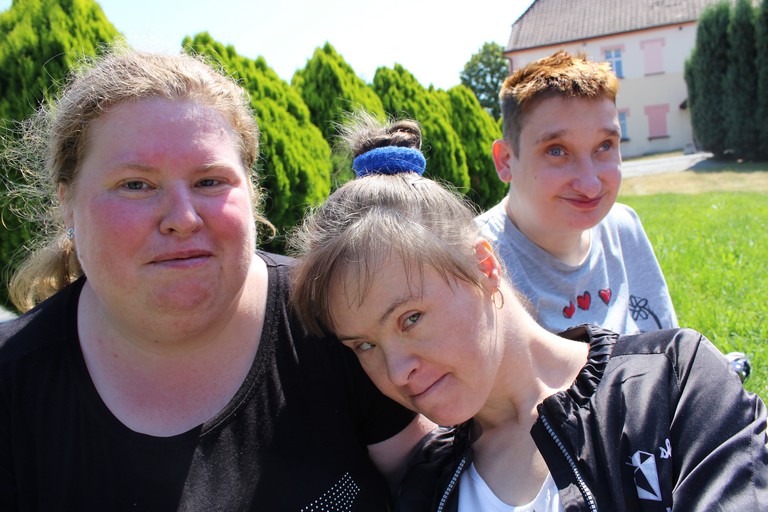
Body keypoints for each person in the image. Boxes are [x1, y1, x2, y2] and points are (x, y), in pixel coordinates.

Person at [0, 47, 432, 511]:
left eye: (209, 182)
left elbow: (434, 484)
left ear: (252, 193)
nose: (183, 218)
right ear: (67, 204)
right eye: (136, 185)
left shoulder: (338, 318)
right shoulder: (11, 386)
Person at [288, 112, 768, 511]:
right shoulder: (426, 487)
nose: (397, 372)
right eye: (364, 345)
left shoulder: (669, 385)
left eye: (410, 319)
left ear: (485, 266)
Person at [476, 50, 678, 335]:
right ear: (506, 161)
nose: (590, 185)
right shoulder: (477, 263)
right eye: (556, 151)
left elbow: (669, 347)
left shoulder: (622, 227)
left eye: (604, 146)